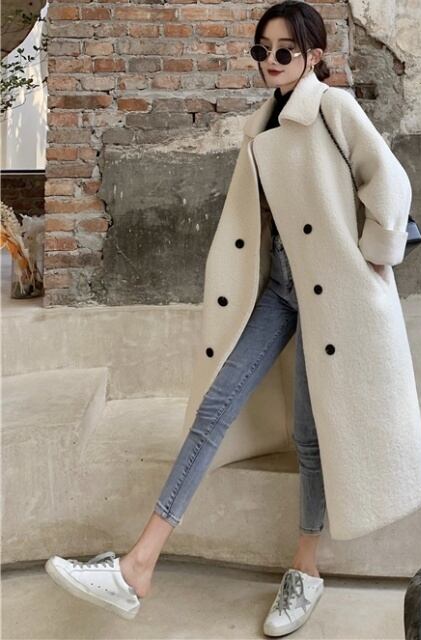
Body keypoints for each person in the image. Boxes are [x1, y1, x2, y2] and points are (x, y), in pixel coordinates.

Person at [45, 3, 334, 636]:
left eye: (284, 51)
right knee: (214, 407)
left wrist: (366, 262)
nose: (270, 62)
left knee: (310, 437)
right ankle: (138, 567)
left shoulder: (335, 111)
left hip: (327, 299)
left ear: (314, 56)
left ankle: (306, 569)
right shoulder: (264, 122)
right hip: (280, 291)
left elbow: (389, 189)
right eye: (261, 50)